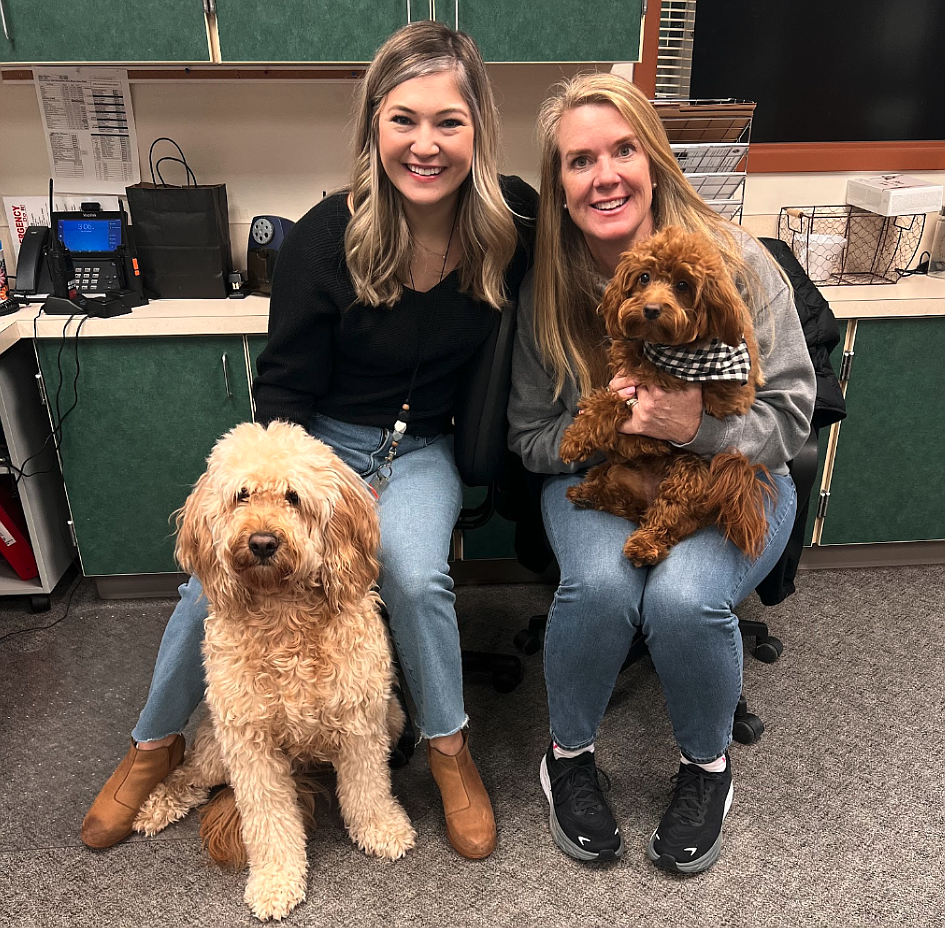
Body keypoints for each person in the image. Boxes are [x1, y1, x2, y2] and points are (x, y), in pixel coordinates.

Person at [82, 20, 536, 862]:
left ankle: (448, 750)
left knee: (414, 574)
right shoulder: (326, 236)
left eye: (448, 120)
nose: (425, 143)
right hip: (321, 444)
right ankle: (153, 747)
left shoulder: (509, 225)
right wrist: (310, 488)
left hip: (424, 452)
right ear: (373, 126)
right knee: (205, 588)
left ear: (479, 129)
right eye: (403, 119)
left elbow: (605, 241)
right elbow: (281, 396)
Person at [508, 73, 816, 873]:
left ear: (654, 162)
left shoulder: (735, 262)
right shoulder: (547, 290)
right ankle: (567, 756)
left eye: (622, 151)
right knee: (603, 586)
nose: (604, 174)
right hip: (609, 467)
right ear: (560, 185)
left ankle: (706, 768)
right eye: (579, 161)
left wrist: (698, 426)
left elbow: (790, 418)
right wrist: (600, 428)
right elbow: (531, 439)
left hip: (737, 471)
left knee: (682, 596)